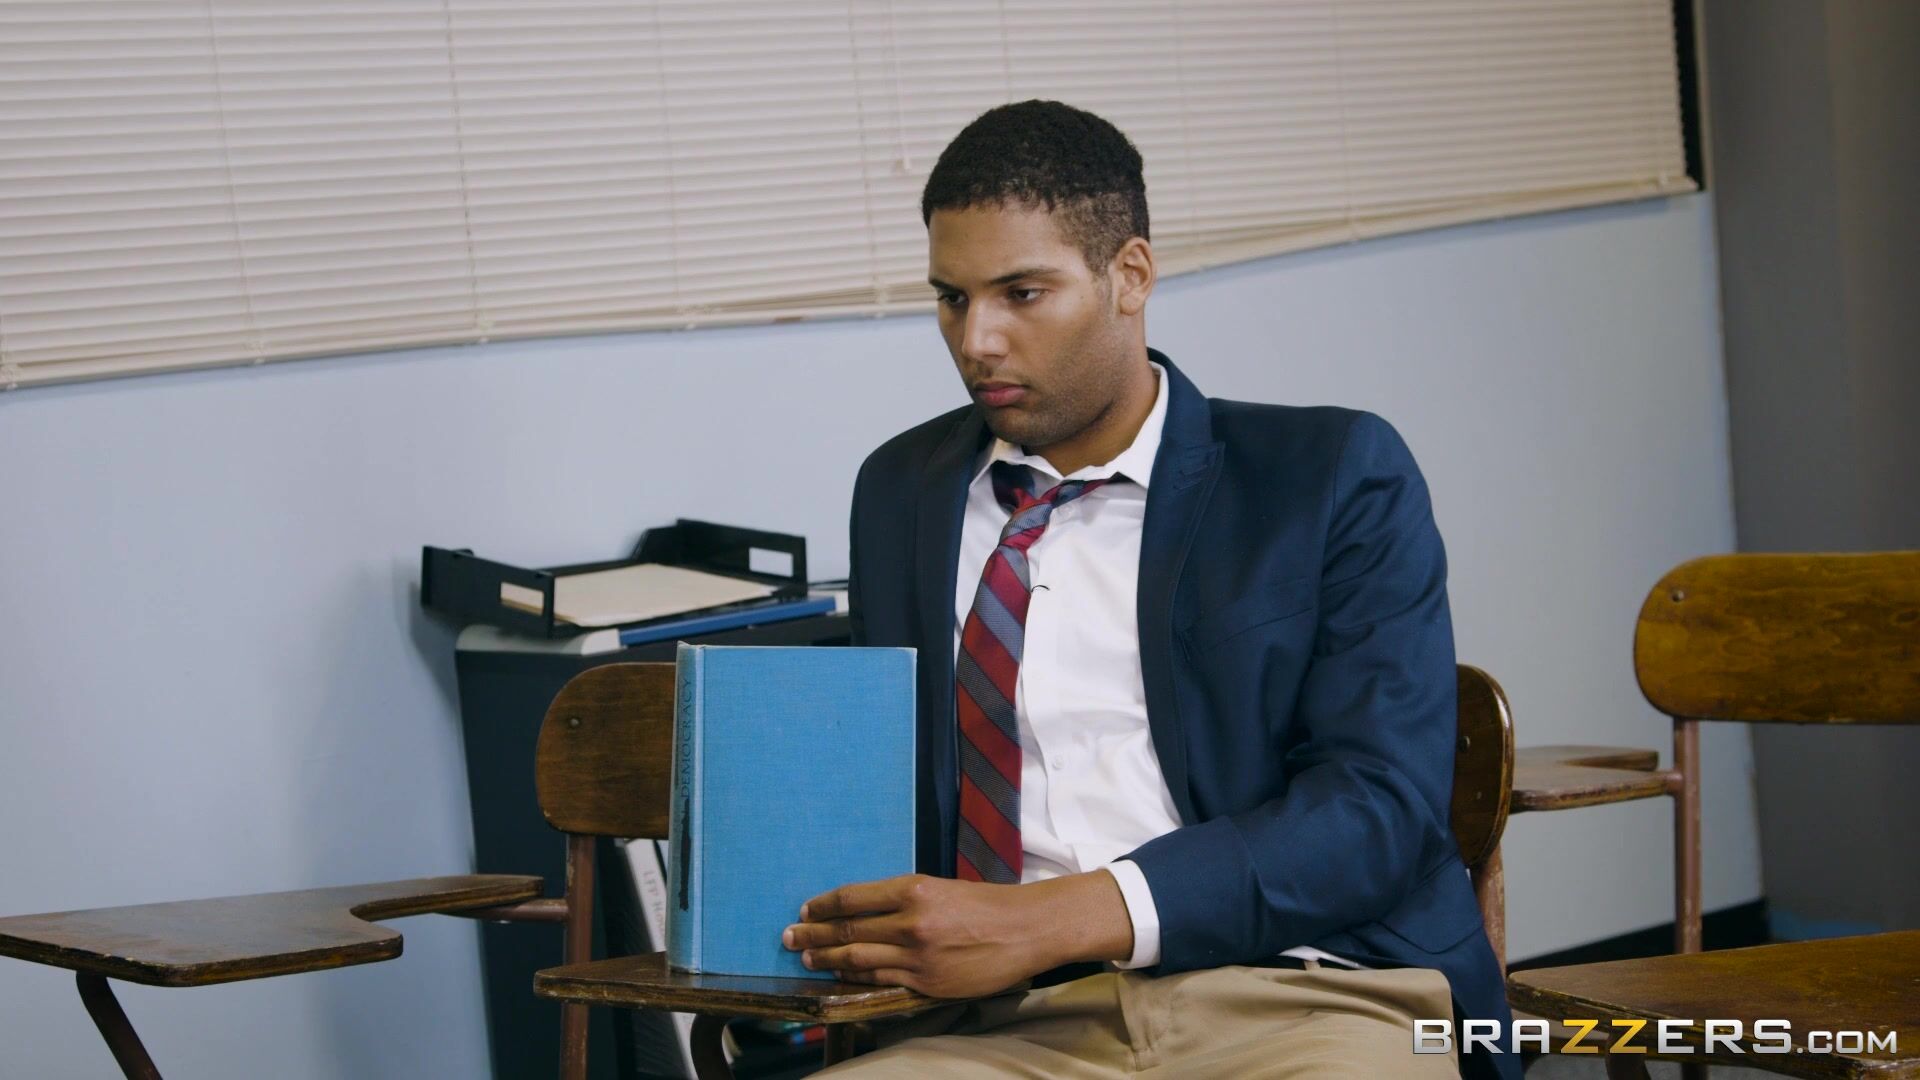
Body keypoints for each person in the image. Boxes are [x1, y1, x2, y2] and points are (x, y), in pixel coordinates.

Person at [781, 100, 1516, 1079]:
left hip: (1306, 994)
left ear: (1129, 275)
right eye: (952, 298)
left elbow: (1376, 810)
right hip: (1003, 1031)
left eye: (1022, 293)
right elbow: (886, 786)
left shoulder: (1327, 474)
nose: (978, 340)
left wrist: (1053, 919)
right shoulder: (902, 490)